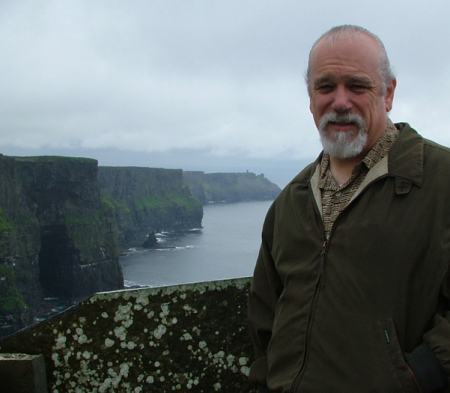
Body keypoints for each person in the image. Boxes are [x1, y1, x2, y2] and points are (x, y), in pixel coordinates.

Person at [247, 25, 450, 393]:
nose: (340, 101)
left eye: (357, 86)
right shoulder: (289, 201)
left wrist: (419, 376)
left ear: (388, 93)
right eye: (325, 87)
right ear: (311, 98)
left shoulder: (442, 181)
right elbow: (265, 319)